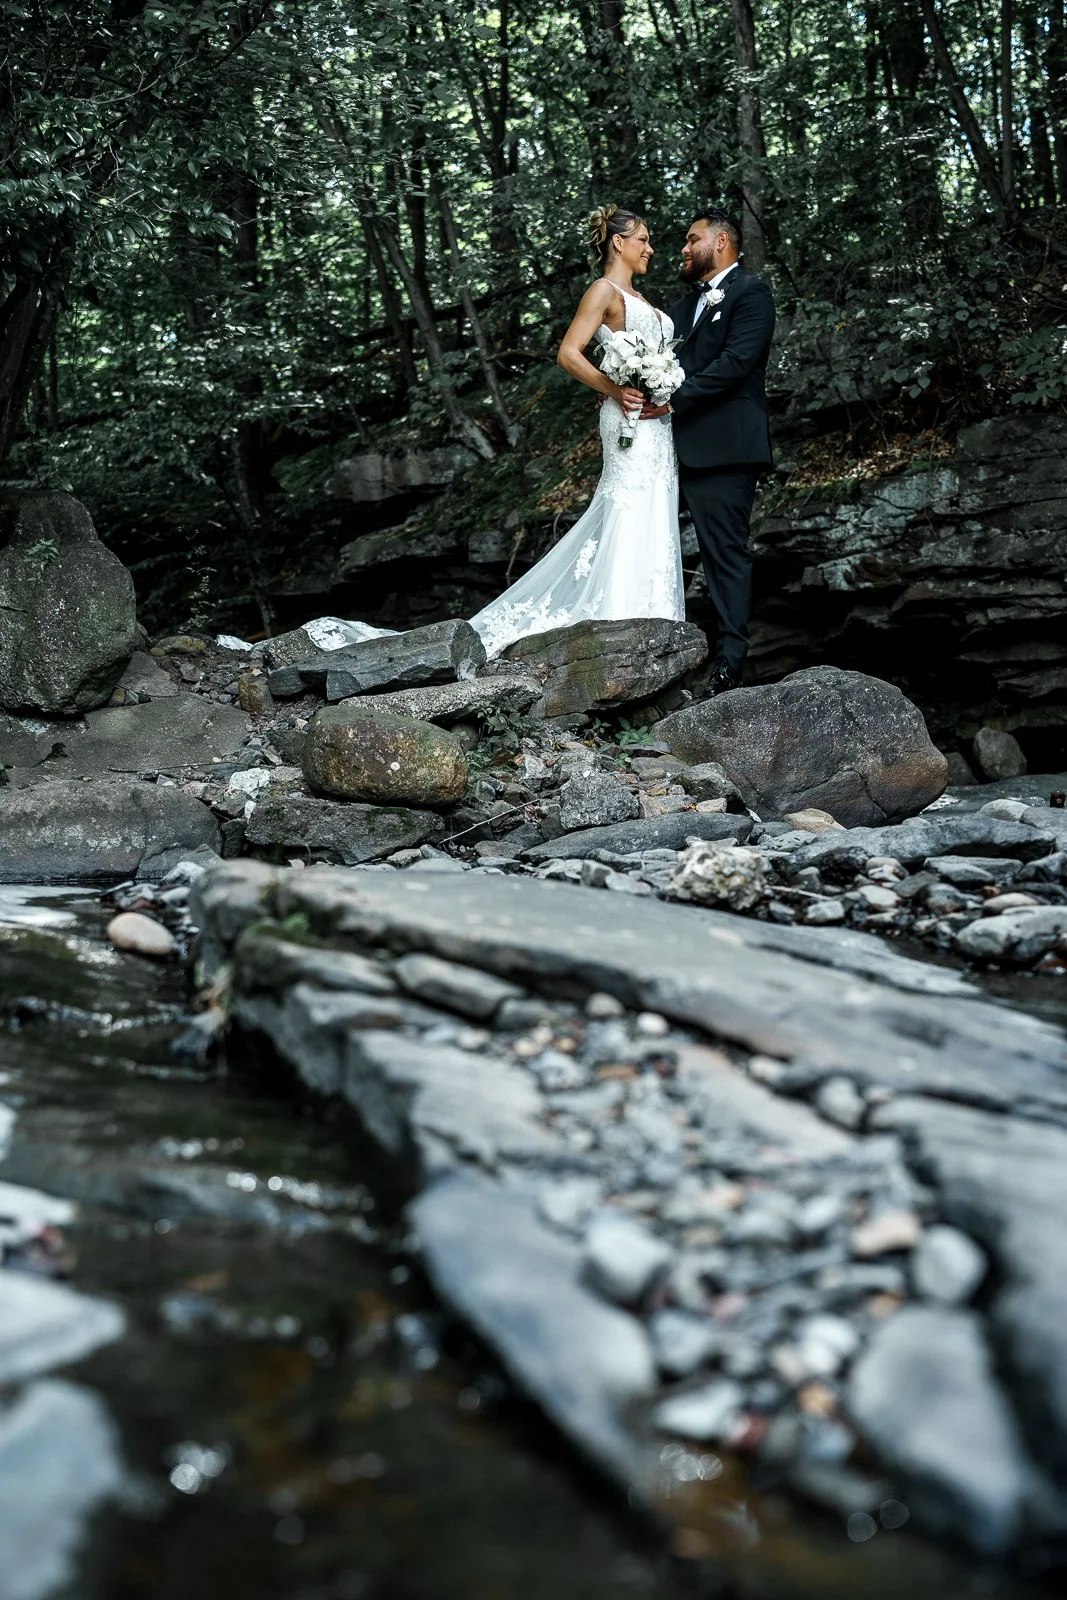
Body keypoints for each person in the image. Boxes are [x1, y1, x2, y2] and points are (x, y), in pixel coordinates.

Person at [468, 206, 685, 659]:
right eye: (643, 239)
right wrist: (614, 389)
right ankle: (617, 626)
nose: (650, 247)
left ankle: (657, 619)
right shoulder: (603, 291)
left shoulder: (641, 298)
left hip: (657, 427)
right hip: (626, 420)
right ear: (618, 243)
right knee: (628, 509)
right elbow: (569, 352)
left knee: (654, 509)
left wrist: (662, 386)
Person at [643, 208, 776, 695]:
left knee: (724, 556)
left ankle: (729, 665)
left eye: (691, 238)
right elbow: (653, 361)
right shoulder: (678, 309)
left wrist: (673, 399)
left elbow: (737, 362)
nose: (683, 247)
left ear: (721, 242)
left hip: (724, 448)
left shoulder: (752, 294)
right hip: (665, 451)